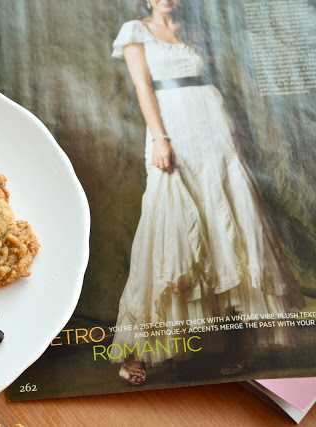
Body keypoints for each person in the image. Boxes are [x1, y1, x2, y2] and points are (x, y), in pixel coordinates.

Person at [110, 0, 305, 386]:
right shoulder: (135, 31)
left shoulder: (195, 29)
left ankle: (237, 344)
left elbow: (213, 82)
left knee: (229, 226)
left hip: (215, 128)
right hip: (173, 128)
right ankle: (136, 351)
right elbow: (142, 87)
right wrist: (160, 139)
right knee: (168, 225)